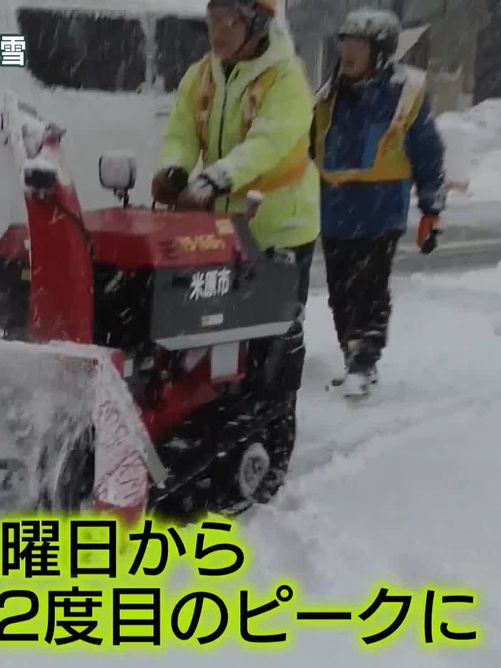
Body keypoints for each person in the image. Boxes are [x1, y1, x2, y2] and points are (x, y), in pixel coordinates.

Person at [151, 0, 320, 504]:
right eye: (212, 20)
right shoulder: (200, 76)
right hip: (216, 231)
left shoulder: (285, 79)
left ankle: (268, 453)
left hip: (278, 228)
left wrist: (215, 178)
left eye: (230, 22)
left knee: (271, 346)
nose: (217, 32)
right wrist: (175, 171)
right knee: (210, 337)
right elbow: (181, 133)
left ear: (258, 24)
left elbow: (269, 143)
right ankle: (210, 438)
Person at [312, 9, 446, 399]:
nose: (348, 52)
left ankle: (363, 361)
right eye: (345, 43)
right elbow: (307, 149)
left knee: (368, 290)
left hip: (379, 212)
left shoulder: (404, 94)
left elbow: (428, 154)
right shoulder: (328, 95)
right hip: (334, 212)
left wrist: (431, 211)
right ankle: (349, 353)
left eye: (359, 45)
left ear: (382, 52)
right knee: (340, 293)